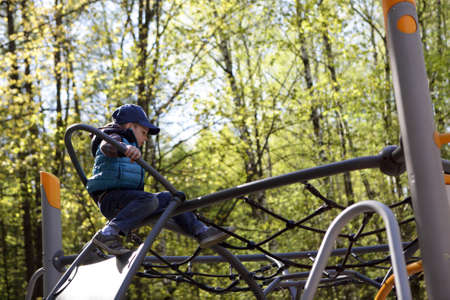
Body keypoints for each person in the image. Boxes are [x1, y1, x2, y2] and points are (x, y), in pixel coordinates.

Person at [87, 104, 233, 255]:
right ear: (130, 126)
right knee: (149, 200)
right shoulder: (114, 136)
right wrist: (124, 148)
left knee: (172, 198)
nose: (145, 138)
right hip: (111, 200)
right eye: (143, 132)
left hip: (128, 200)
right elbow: (108, 147)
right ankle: (108, 233)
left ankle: (201, 231)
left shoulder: (131, 146)